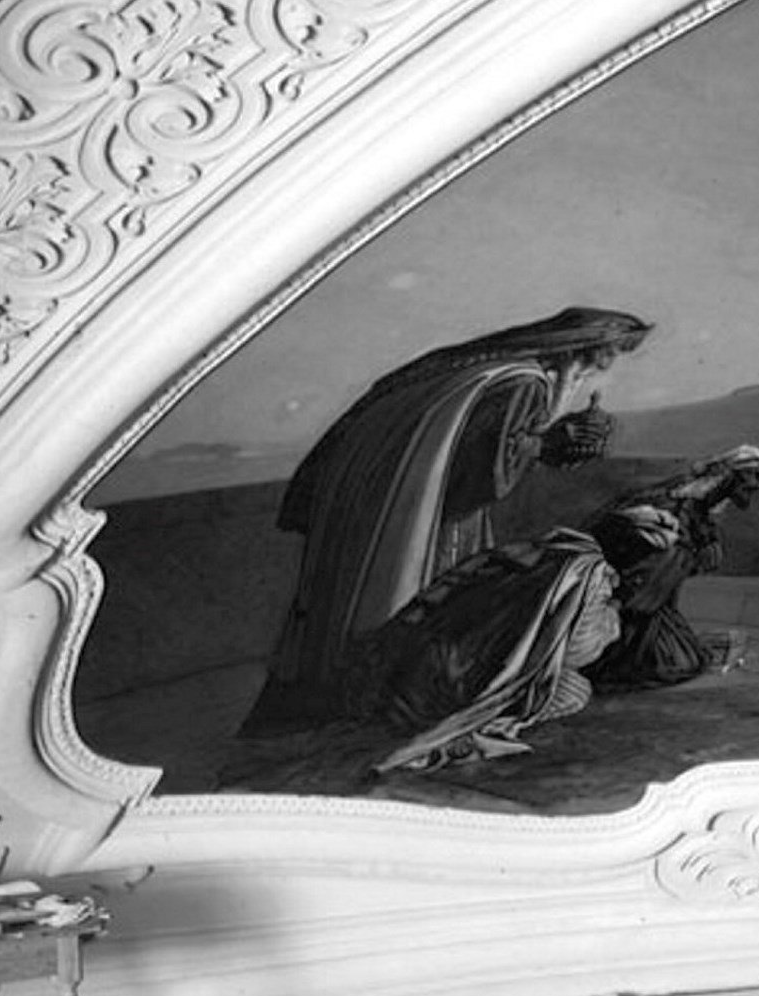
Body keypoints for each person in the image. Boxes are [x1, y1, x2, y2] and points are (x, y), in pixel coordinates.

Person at [241, 307, 651, 735]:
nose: (604, 367)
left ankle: (340, 696)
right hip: (431, 516)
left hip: (379, 504)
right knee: (421, 606)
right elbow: (484, 470)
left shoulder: (483, 368)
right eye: (607, 354)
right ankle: (389, 699)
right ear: (577, 349)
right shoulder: (522, 383)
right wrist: (551, 443)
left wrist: (545, 441)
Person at [348, 527, 623, 775]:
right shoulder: (587, 575)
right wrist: (611, 622)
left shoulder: (537, 554)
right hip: (455, 680)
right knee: (573, 691)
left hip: (419, 657)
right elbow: (576, 650)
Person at [586, 446, 759, 689]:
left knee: (684, 657)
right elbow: (657, 546)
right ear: (735, 476)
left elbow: (699, 537)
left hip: (654, 587)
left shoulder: (705, 502)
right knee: (670, 661)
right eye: (755, 476)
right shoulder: (678, 500)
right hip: (634, 585)